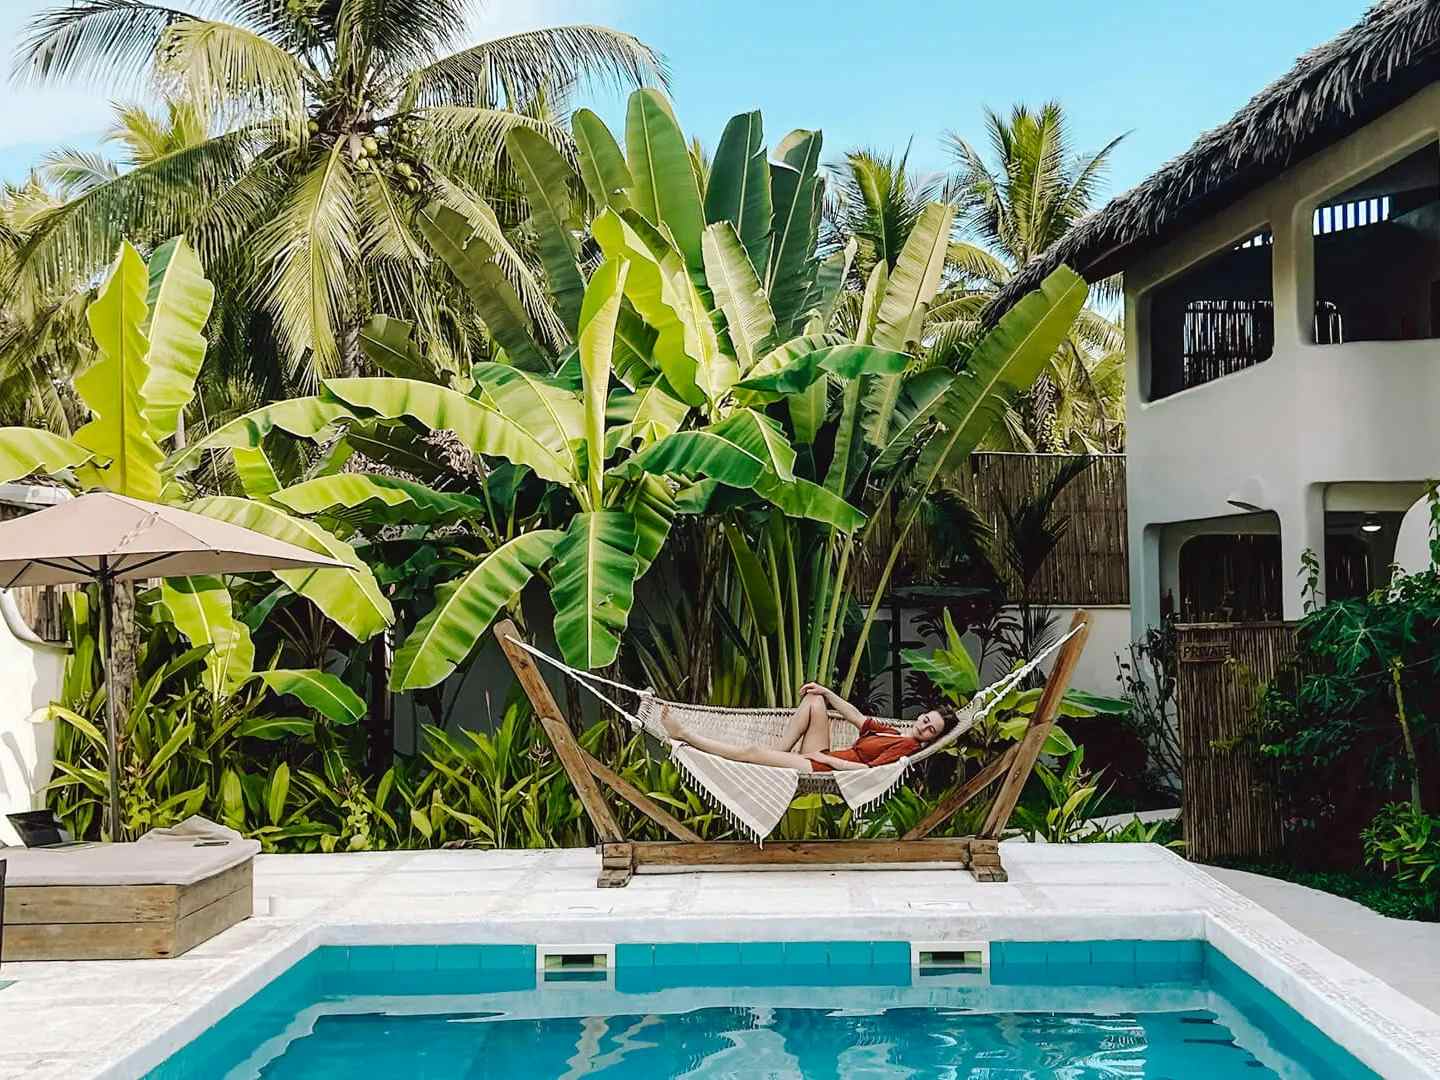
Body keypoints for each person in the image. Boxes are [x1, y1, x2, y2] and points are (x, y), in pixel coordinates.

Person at [659, 682, 954, 772]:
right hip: (824, 755)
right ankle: (775, 756)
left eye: (932, 730)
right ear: (923, 714)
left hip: (824, 767)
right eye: (927, 719)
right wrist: (826, 692)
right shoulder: (894, 732)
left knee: (749, 750)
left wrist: (827, 759)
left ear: (933, 739)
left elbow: (869, 772)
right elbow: (855, 717)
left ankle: (685, 734)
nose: (925, 726)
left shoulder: (907, 748)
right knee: (813, 699)